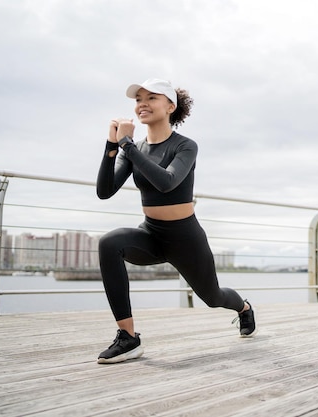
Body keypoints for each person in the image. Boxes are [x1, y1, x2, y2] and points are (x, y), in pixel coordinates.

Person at [95, 78, 256, 364]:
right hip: (151, 234)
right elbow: (104, 192)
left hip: (185, 237)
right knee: (109, 243)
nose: (142, 103)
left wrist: (127, 146)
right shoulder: (136, 148)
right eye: (138, 99)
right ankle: (128, 337)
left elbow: (167, 182)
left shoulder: (185, 146)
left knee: (213, 297)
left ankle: (243, 308)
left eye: (151, 97)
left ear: (170, 106)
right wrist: (112, 144)